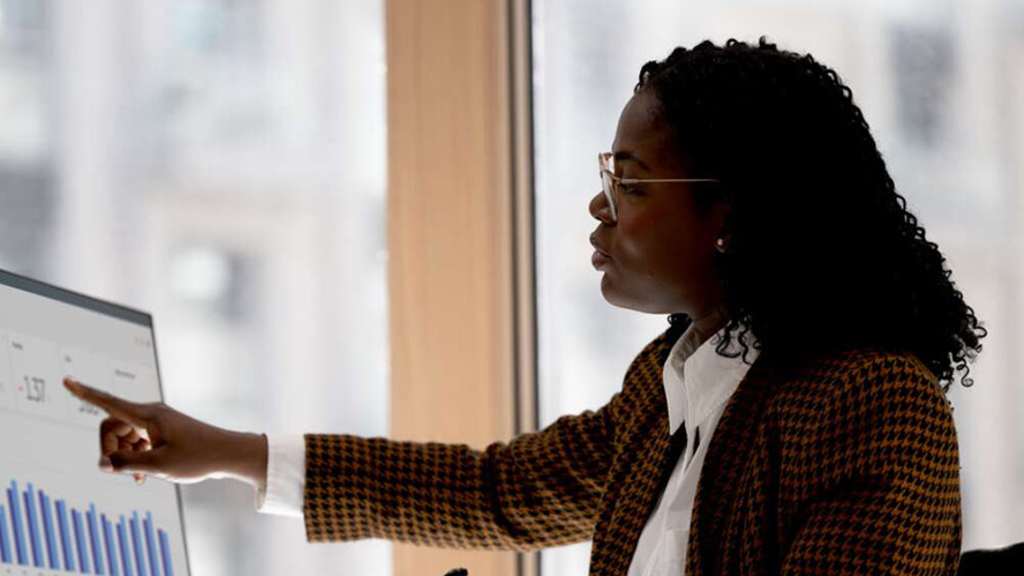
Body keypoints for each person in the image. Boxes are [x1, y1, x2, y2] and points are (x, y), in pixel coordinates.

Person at [64, 37, 986, 575]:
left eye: (629, 180)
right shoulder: (673, 386)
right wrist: (223, 452)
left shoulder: (872, 403)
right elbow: (494, 491)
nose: (600, 207)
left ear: (729, 214)